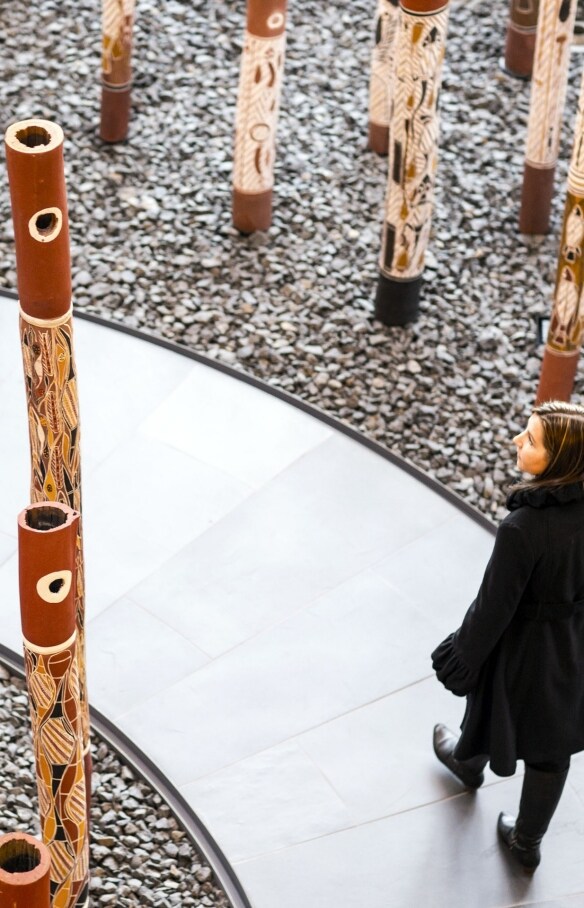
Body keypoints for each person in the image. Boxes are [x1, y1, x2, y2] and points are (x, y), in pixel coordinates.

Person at [431, 400, 584, 872]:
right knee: (554, 744)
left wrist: (462, 656)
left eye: (531, 439)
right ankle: (526, 841)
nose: (518, 440)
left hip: (526, 645)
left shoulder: (524, 528)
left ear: (558, 462)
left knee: (489, 702)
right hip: (577, 643)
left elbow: (493, 608)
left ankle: (466, 761)